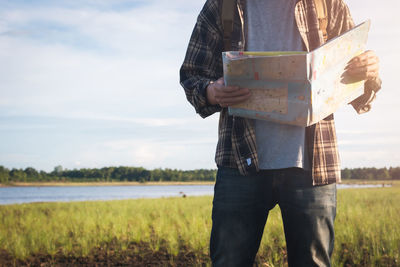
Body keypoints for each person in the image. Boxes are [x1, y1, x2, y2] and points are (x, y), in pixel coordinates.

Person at [179, 0, 381, 266]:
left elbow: (358, 83)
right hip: (240, 161)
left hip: (313, 165)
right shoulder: (223, 5)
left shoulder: (328, 4)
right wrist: (211, 91)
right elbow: (192, 74)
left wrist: (369, 73)